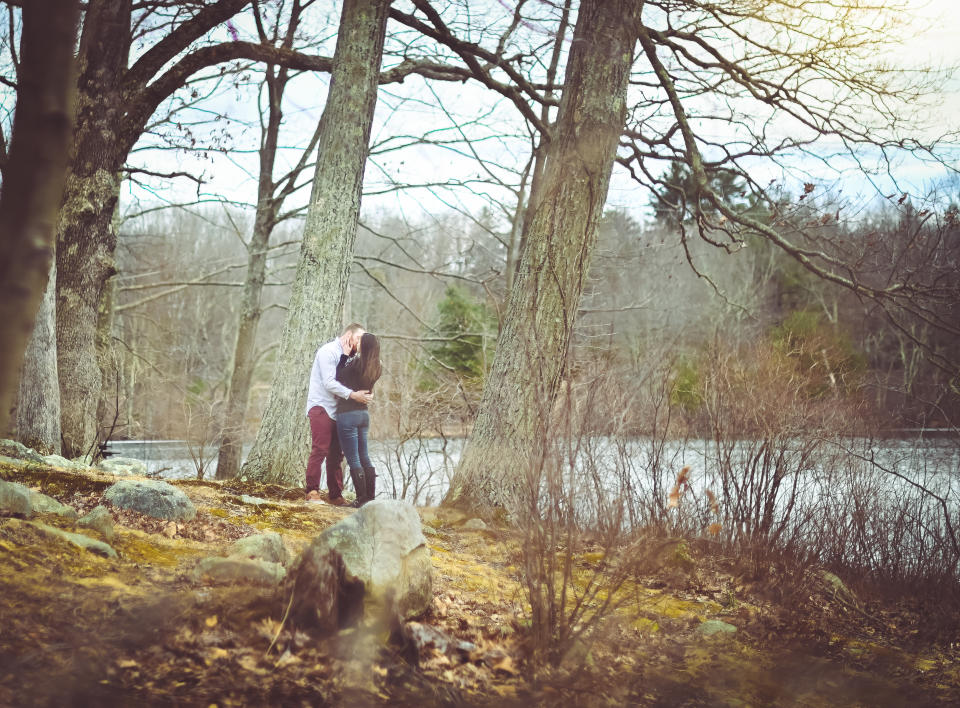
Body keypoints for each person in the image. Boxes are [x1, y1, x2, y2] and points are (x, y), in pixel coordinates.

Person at [305, 323, 373, 504]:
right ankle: (312, 491)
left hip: (341, 412)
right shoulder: (328, 352)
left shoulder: (352, 358)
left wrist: (366, 393)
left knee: (336, 454)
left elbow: (354, 381)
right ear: (348, 335)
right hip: (321, 406)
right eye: (358, 338)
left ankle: (335, 495)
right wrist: (352, 395)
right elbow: (329, 382)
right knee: (320, 448)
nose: (360, 343)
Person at [335, 332, 381, 507]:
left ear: (366, 345)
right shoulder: (377, 366)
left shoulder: (356, 363)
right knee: (365, 456)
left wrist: (344, 355)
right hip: (363, 414)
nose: (358, 342)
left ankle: (361, 499)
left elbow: (337, 377)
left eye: (361, 341)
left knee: (353, 458)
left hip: (348, 414)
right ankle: (370, 497)